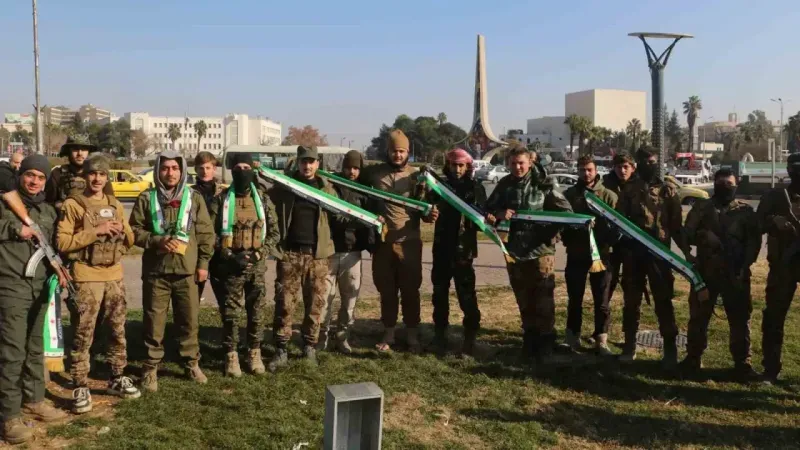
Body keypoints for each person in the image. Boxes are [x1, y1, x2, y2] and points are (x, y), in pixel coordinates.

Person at [56, 154, 140, 413]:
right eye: (93, 173)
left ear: (107, 177)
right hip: (86, 276)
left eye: (102, 174)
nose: (97, 179)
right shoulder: (74, 205)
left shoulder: (114, 203)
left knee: (117, 328)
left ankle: (117, 376)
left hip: (113, 275)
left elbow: (130, 239)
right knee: (84, 332)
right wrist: (97, 230)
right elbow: (62, 243)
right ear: (85, 176)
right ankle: (80, 383)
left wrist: (121, 230)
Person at [129, 151, 214, 392]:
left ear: (182, 171)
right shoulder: (147, 198)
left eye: (175, 168)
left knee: (189, 320)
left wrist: (203, 264)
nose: (170, 173)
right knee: (153, 321)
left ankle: (191, 362)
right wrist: (156, 240)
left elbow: (206, 234)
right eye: (165, 168)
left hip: (187, 272)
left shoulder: (194, 198)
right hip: (157, 273)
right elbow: (133, 231)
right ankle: (150, 367)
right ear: (158, 171)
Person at [484, 144, 573, 362]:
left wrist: (553, 233)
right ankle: (529, 340)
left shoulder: (543, 184)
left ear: (530, 162)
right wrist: (498, 213)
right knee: (523, 297)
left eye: (521, 163)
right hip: (514, 250)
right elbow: (487, 210)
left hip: (541, 251)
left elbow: (566, 212)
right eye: (513, 164)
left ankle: (546, 344)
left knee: (543, 298)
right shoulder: (504, 185)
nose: (517, 167)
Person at [0, 155, 67, 445]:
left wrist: (60, 269)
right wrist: (16, 228)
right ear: (21, 175)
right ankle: (9, 415)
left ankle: (35, 399)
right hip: (10, 286)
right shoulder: (5, 205)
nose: (35, 181)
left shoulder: (48, 211)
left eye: (40, 177)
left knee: (34, 347)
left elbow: (51, 247)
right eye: (30, 175)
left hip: (40, 287)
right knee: (12, 352)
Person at [362, 130, 438, 353]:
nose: (398, 155)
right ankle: (389, 332)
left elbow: (424, 208)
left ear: (408, 152)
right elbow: (352, 179)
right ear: (388, 151)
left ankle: (412, 333)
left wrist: (429, 216)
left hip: (410, 243)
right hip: (383, 243)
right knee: (386, 290)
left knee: (410, 290)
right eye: (394, 151)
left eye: (402, 151)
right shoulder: (374, 174)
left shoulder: (417, 178)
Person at [681, 168, 760, 380]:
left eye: (729, 184)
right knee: (698, 317)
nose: (724, 188)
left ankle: (742, 363)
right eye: (720, 184)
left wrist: (745, 265)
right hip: (706, 273)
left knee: (740, 319)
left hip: (736, 273)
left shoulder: (745, 212)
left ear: (736, 185)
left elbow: (754, 242)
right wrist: (691, 255)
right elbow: (685, 234)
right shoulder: (701, 208)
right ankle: (693, 358)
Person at [616, 147, 690, 368]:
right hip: (633, 254)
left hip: (659, 255)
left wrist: (687, 254)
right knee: (631, 302)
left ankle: (670, 350)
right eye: (646, 161)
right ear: (638, 163)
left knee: (663, 302)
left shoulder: (668, 191)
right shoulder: (629, 189)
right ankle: (630, 346)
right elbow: (619, 220)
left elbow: (677, 227)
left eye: (654, 161)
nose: (651, 165)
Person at [267, 146, 339, 372]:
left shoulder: (326, 188)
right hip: (290, 254)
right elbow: (264, 196)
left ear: (318, 164)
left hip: (318, 256)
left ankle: (309, 345)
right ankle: (281, 347)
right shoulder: (286, 187)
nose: (307, 166)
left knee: (316, 304)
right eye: (303, 161)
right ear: (297, 163)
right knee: (284, 303)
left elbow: (342, 212)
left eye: (311, 161)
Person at [208, 153, 279, 377]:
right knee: (231, 314)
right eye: (237, 167)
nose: (242, 171)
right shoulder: (220, 201)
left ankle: (254, 352)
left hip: (256, 266)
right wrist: (229, 254)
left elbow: (274, 234)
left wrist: (260, 254)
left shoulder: (263, 200)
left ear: (253, 170)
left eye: (246, 166)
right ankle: (231, 355)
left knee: (256, 312)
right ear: (232, 171)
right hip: (231, 266)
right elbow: (209, 234)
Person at [429, 148, 486, 356]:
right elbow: (427, 208)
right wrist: (430, 212)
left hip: (464, 252)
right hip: (441, 249)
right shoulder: (438, 187)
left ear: (468, 166)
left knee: (467, 296)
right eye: (453, 165)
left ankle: (470, 338)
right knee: (439, 295)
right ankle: (439, 334)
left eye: (461, 165)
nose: (457, 169)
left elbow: (482, 219)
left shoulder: (476, 189)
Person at [561, 155, 618, 356]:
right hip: (576, 254)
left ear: (596, 171)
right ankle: (572, 338)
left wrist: (605, 237)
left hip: (601, 257)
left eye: (589, 170)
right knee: (574, 298)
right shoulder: (569, 194)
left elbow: (617, 226)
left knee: (601, 300)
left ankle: (601, 340)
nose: (586, 174)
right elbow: (563, 222)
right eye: (582, 169)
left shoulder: (608, 195)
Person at [319, 150, 373, 354]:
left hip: (353, 253)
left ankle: (342, 337)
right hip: (330, 252)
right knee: (325, 299)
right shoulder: (331, 187)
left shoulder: (366, 191)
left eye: (356, 168)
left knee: (350, 299)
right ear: (342, 167)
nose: (352, 171)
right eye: (349, 167)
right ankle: (321, 338)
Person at [756, 153, 800, 384]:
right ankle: (770, 370)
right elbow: (757, 224)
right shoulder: (776, 196)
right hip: (783, 265)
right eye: (794, 167)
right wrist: (774, 221)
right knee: (773, 318)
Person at [191, 151, 225, 301]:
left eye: (208, 167)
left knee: (225, 296)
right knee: (193, 295)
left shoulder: (224, 193)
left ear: (214, 168)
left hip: (219, 249)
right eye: (201, 168)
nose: (204, 172)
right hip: (197, 249)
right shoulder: (189, 193)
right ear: (196, 170)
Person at [45, 134, 113, 208]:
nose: (80, 153)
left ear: (89, 152)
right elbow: (48, 205)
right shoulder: (57, 174)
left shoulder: (99, 175)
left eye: (84, 149)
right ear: (69, 152)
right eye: (75, 149)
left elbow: (111, 202)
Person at [602, 151, 636, 297]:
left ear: (632, 168)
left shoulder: (640, 186)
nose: (622, 171)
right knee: (607, 285)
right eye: (618, 167)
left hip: (632, 243)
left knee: (631, 288)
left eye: (625, 167)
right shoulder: (604, 185)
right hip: (610, 243)